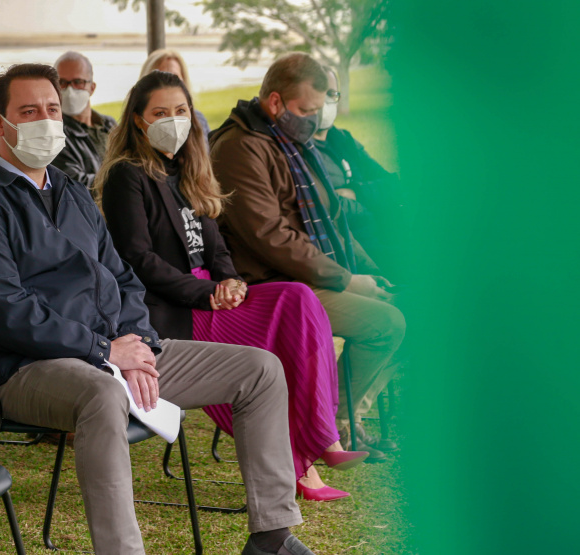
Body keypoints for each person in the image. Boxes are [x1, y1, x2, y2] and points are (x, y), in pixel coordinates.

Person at [0, 63, 316, 555]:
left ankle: (272, 535)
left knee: (260, 369)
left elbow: (123, 278)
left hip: (115, 352)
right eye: (28, 111)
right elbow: (5, 311)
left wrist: (139, 343)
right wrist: (103, 350)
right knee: (101, 394)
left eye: (52, 109)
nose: (46, 120)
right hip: (31, 370)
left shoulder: (71, 191)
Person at [96, 71, 368, 501]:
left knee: (297, 298)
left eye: (181, 111)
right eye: (161, 113)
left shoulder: (189, 169)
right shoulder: (127, 176)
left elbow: (217, 247)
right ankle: (302, 464)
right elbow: (138, 259)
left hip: (215, 299)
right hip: (176, 309)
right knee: (276, 344)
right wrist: (207, 294)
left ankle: (322, 435)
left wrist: (232, 283)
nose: (174, 120)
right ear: (138, 121)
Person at [209, 53, 405, 460]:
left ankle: (341, 423)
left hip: (307, 275)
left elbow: (333, 224)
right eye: (306, 110)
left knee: (408, 308)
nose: (314, 120)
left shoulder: (291, 144)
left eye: (318, 109)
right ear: (276, 102)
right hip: (272, 286)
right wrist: (345, 279)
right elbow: (270, 236)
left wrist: (369, 272)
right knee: (387, 323)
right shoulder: (240, 148)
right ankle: (327, 426)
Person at [313, 66, 403, 274]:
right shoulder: (299, 151)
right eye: (319, 93)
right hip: (349, 250)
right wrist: (374, 203)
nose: (325, 101)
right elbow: (328, 205)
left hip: (383, 234)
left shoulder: (344, 141)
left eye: (331, 94)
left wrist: (356, 192)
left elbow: (392, 184)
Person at [51, 51, 116, 188]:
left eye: (78, 82)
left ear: (92, 88)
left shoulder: (110, 125)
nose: (69, 89)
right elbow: (74, 183)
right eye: (62, 82)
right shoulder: (54, 133)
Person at [140, 49, 210, 137]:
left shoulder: (199, 121)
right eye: (161, 79)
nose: (169, 84)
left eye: (175, 78)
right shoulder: (136, 126)